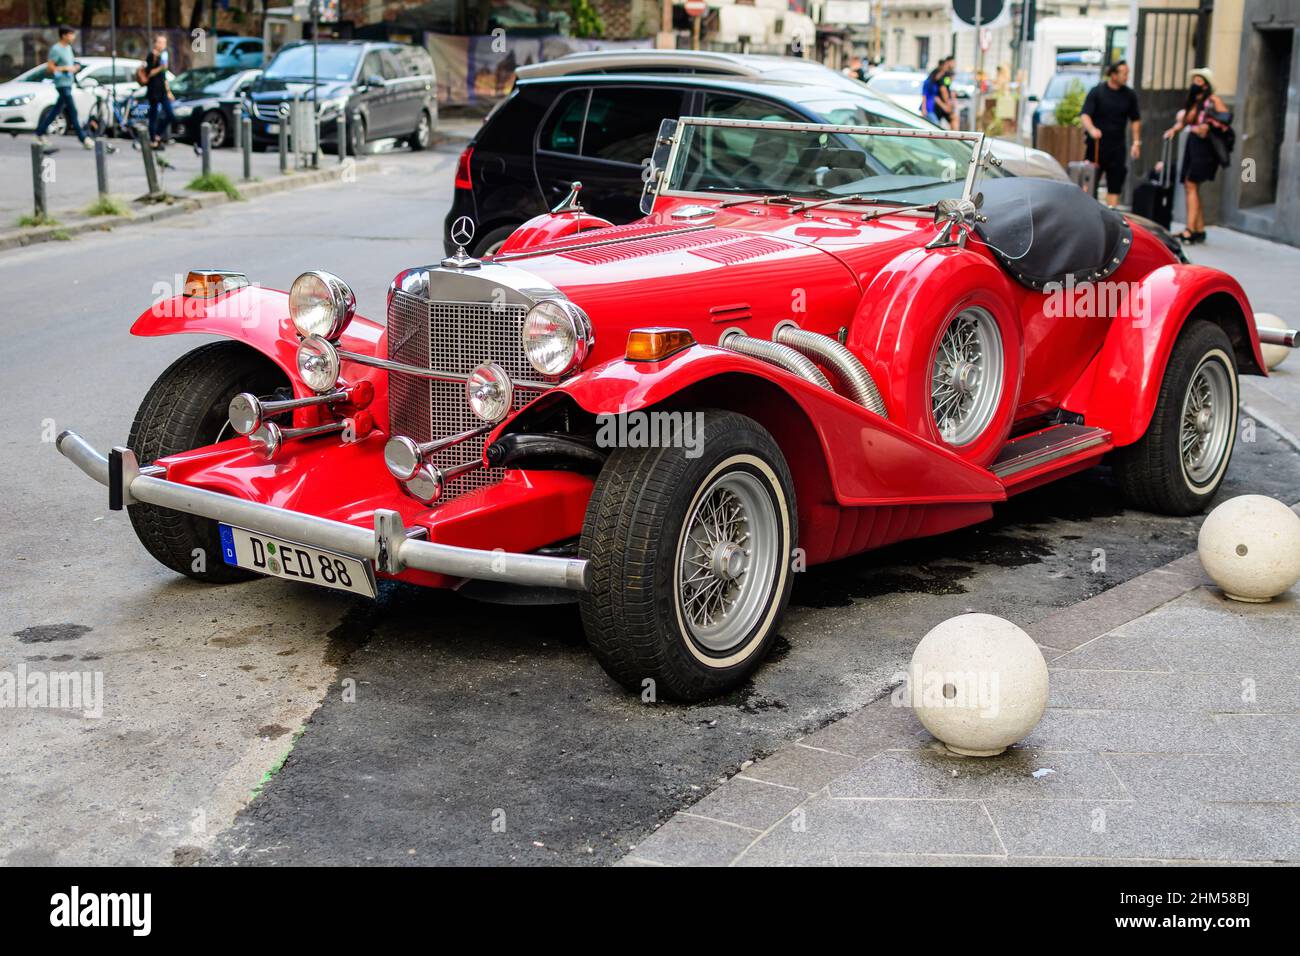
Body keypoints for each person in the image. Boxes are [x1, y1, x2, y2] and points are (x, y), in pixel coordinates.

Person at [1163, 68, 1231, 244]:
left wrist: (1209, 124)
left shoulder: (1212, 100)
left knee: (1191, 184)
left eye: (1200, 81)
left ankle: (1190, 230)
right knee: (1190, 185)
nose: (1196, 84)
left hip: (1205, 147)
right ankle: (1198, 229)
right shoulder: (1193, 103)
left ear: (1207, 84)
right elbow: (1184, 122)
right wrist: (1173, 130)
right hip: (1193, 145)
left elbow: (1226, 117)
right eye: (1195, 80)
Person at [1079, 60, 1141, 208]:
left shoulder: (1130, 95)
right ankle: (1086, 212)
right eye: (1124, 73)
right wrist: (1092, 129)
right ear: (1113, 74)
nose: (1127, 77)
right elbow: (1085, 115)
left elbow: (1135, 119)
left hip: (1117, 146)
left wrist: (1136, 142)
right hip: (1096, 145)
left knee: (1115, 183)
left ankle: (1111, 216)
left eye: (1128, 73)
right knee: (1090, 181)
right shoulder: (1097, 91)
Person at [33, 26, 94, 150]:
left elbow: (70, 64)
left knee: (56, 110)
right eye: (71, 34)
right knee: (72, 110)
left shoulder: (68, 48)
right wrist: (65, 69)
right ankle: (83, 138)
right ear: (64, 35)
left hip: (68, 83)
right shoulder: (56, 49)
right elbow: (50, 67)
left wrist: (75, 67)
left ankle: (39, 133)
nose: (73, 37)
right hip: (62, 84)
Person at [143, 33, 175, 149]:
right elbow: (149, 73)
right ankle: (153, 139)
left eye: (164, 43)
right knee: (153, 115)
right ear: (156, 43)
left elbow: (164, 76)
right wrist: (160, 67)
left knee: (171, 114)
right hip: (153, 91)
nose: (162, 45)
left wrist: (168, 91)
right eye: (160, 42)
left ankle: (157, 134)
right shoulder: (152, 56)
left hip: (162, 91)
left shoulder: (163, 56)